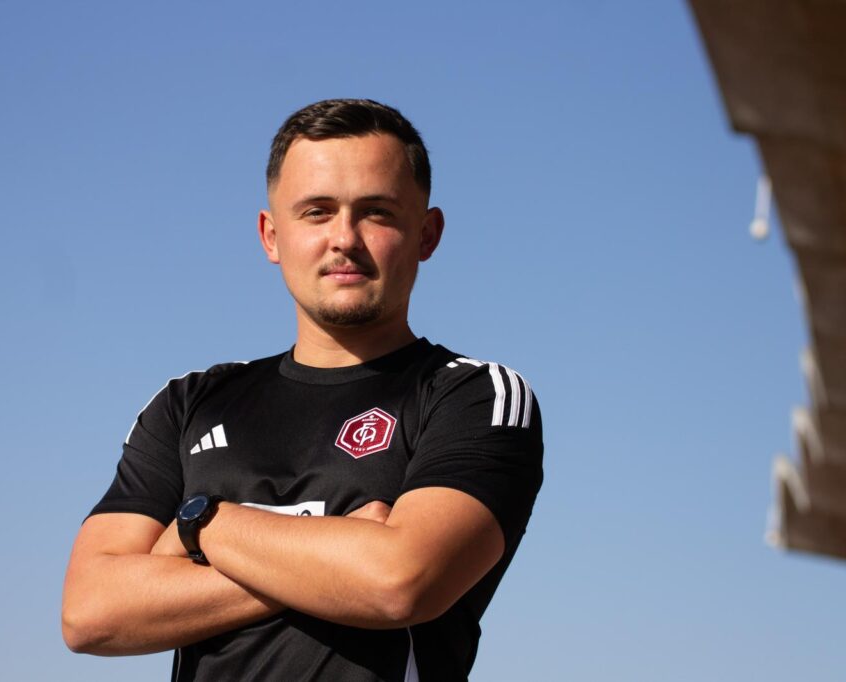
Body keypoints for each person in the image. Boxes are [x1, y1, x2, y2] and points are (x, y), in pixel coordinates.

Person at [62, 98, 544, 681]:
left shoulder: (475, 395)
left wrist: (199, 527)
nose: (344, 238)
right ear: (271, 235)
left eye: (377, 212)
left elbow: (399, 582)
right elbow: (90, 612)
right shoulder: (188, 403)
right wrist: (339, 558)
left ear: (427, 233)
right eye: (317, 212)